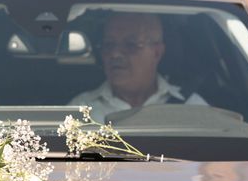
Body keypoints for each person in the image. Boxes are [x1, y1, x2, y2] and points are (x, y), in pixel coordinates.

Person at [69, 13, 206, 122]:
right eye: (109, 44)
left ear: (156, 52)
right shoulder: (81, 109)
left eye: (131, 44)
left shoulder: (192, 108)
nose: (115, 54)